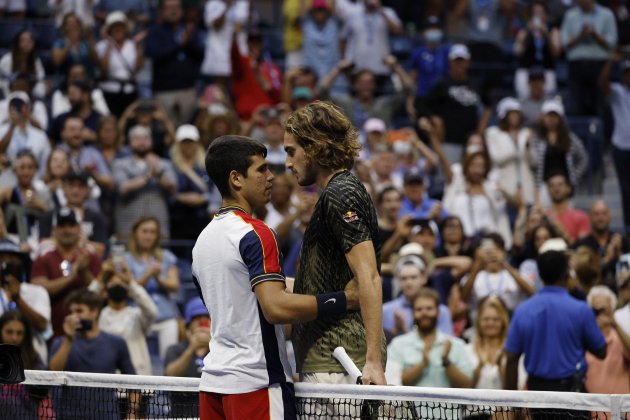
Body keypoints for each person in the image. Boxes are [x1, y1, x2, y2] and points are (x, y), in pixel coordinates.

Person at [193, 134, 360, 419]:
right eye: (262, 169)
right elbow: (275, 308)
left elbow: (246, 298)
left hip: (214, 386)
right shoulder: (257, 233)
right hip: (256, 382)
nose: (271, 177)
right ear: (236, 179)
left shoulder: (203, 241)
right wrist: (345, 299)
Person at [284, 101, 387, 386]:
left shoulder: (341, 192)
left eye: (292, 152)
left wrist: (373, 361)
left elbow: (368, 277)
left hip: (341, 361)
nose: (288, 163)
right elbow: (326, 284)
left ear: (315, 147)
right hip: (330, 361)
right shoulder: (337, 192)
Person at [505, 245, 607, 394]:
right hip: (572, 396)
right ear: (567, 273)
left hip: (537, 394)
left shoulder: (523, 310)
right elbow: (601, 351)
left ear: (540, 275)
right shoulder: (580, 309)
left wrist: (511, 403)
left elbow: (512, 358)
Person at [48, 289, 135, 419]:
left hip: (106, 416)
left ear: (95, 312)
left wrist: (132, 413)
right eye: (71, 312)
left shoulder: (116, 343)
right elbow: (53, 372)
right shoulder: (60, 343)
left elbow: (134, 382)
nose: (73, 316)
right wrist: (69, 340)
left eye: (79, 311)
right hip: (69, 416)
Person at [31, 207, 102, 338]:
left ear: (79, 229)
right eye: (62, 225)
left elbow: (100, 292)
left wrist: (84, 271)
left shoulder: (90, 257)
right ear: (54, 230)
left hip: (88, 333)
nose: (67, 230)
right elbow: (38, 288)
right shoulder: (44, 259)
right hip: (53, 332)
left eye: (71, 225)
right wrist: (71, 277)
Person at [387, 287, 472, 388]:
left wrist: (446, 361)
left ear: (438, 313)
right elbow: (393, 383)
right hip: (410, 404)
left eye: (429, 308)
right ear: (413, 314)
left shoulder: (456, 345)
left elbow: (467, 385)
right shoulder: (398, 345)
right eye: (419, 309)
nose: (424, 313)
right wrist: (423, 363)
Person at [89, 258, 157, 376]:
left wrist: (131, 282)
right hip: (108, 380)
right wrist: (100, 279)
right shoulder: (98, 316)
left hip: (137, 380)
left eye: (121, 283)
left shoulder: (137, 315)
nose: (117, 285)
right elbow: (86, 303)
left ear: (128, 290)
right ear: (105, 289)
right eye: (112, 282)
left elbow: (151, 310)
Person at [125, 216, 180, 361]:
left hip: (165, 314)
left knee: (170, 354)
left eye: (152, 232)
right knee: (137, 360)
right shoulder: (126, 259)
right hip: (138, 314)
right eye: (144, 231)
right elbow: (128, 289)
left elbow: (175, 286)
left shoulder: (167, 257)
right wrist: (148, 274)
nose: (148, 236)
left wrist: (158, 278)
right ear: (135, 233)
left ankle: (169, 380)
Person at [112, 125, 177, 238]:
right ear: (129, 142)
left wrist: (158, 171)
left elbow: (173, 188)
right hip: (128, 225)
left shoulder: (164, 164)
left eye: (145, 138)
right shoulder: (120, 164)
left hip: (158, 225)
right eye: (137, 138)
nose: (142, 142)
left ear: (151, 141)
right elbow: (123, 188)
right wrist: (149, 175)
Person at [560, 0, 617, 116]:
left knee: (600, 106)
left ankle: (601, 133)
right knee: (576, 105)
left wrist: (595, 35)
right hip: (576, 65)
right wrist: (580, 35)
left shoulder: (607, 14)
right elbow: (564, 43)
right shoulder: (570, 15)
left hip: (600, 65)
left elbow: (612, 43)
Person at [383, 255, 453, 342]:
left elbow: (447, 344)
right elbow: (382, 347)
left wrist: (405, 329)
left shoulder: (441, 311)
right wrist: (396, 330)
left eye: (413, 277)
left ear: (424, 278)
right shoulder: (385, 310)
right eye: (403, 278)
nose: (408, 283)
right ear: (397, 280)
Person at [164, 297, 210, 418]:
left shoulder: (220, 350)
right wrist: (191, 349)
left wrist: (214, 344)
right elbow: (170, 376)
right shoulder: (175, 349)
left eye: (207, 318)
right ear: (188, 325)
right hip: (180, 415)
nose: (203, 323)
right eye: (197, 319)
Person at [599, 56, 630, 231]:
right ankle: (627, 227)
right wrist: (610, 62)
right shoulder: (617, 91)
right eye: (626, 74)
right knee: (626, 190)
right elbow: (602, 82)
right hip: (621, 146)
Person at [95, 11, 145, 117]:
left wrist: (138, 49)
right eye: (114, 27)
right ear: (109, 29)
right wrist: (109, 45)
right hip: (109, 90)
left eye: (121, 26)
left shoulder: (132, 45)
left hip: (129, 90)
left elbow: (139, 67)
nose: (118, 29)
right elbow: (103, 68)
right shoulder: (101, 46)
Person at [584, 286, 630, 394]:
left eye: (605, 310)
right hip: (590, 405)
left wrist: (615, 325)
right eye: (596, 310)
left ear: (612, 309)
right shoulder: (585, 338)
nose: (601, 314)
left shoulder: (620, 337)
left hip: (619, 407)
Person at [466, 296, 510, 390]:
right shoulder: (467, 350)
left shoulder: (512, 353)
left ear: (503, 322)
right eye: (486, 319)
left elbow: (517, 390)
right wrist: (479, 367)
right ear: (478, 322)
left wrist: (500, 367)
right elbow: (463, 389)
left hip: (505, 405)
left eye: (495, 320)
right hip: (475, 405)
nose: (490, 323)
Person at [544, 171, 591, 244]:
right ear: (548, 190)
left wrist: (552, 221)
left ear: (568, 188)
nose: (556, 188)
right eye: (552, 185)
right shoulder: (543, 217)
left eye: (560, 184)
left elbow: (582, 248)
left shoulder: (581, 217)